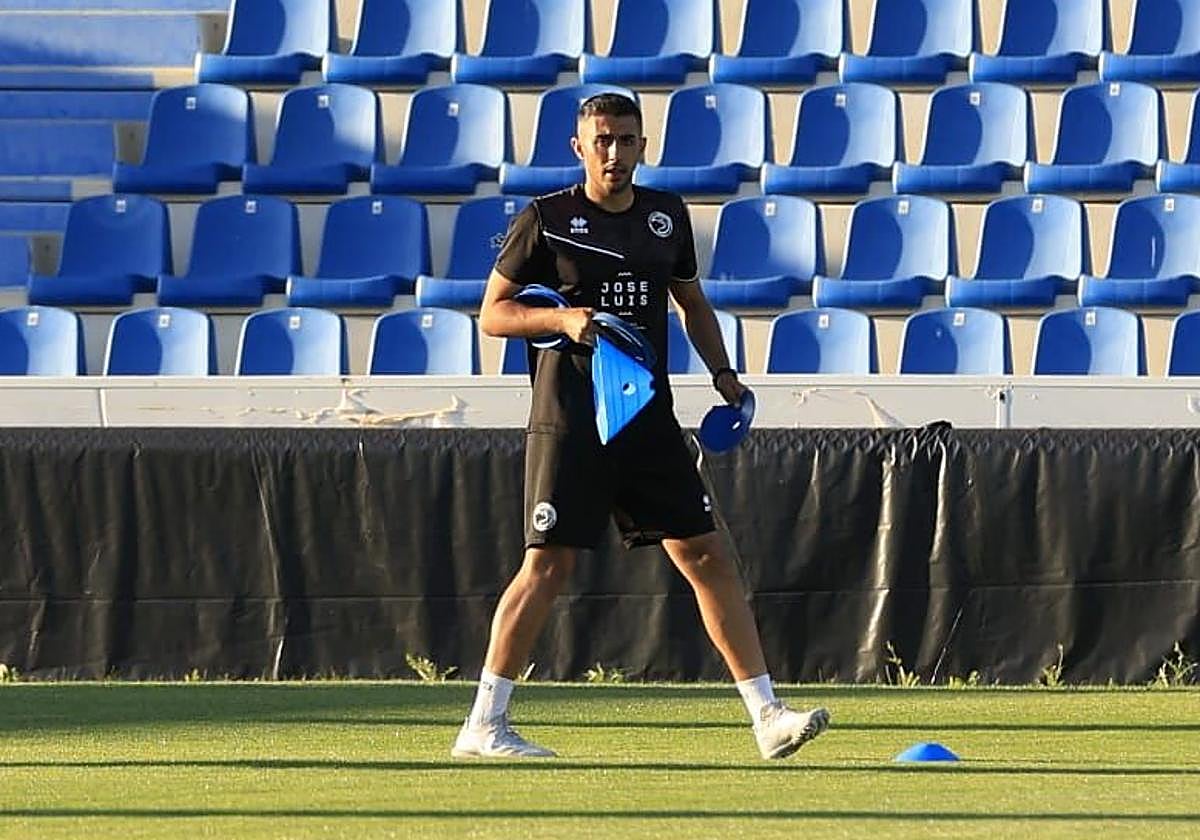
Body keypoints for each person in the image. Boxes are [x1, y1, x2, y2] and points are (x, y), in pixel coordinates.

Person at [451, 93, 830, 760]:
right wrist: (562, 320)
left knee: (707, 553)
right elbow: (494, 314)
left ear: (642, 145)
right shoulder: (546, 219)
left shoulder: (665, 215)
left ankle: (768, 716)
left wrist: (723, 374)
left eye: (626, 140)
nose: (614, 153)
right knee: (548, 564)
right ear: (579, 147)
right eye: (602, 140)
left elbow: (691, 303)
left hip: (646, 414)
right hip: (572, 418)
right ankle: (484, 723)